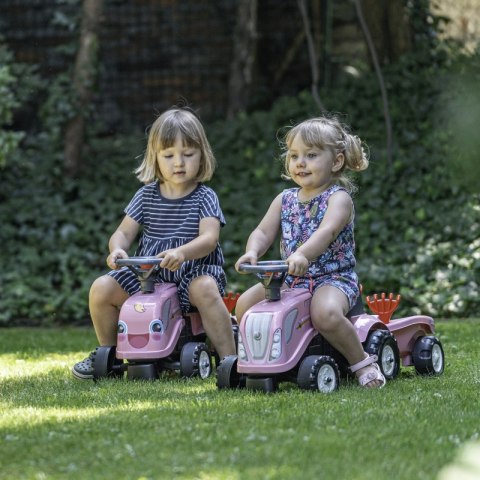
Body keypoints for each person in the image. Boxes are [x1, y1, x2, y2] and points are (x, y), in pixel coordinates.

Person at [72, 107, 236, 379]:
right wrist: (117, 249)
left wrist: (182, 253)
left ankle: (230, 361)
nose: (178, 163)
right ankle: (109, 355)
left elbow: (209, 239)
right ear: (155, 158)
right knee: (101, 288)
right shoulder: (145, 195)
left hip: (193, 272)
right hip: (149, 275)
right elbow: (123, 233)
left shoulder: (205, 196)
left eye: (188, 154)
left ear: (202, 156)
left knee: (205, 288)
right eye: (169, 155)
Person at [235, 115, 385, 388]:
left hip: (332, 278)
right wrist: (252, 251)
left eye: (311, 155)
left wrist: (302, 254)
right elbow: (263, 232)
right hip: (292, 278)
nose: (300, 162)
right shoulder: (284, 199)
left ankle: (362, 362)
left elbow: (326, 232)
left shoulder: (338, 198)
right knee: (244, 304)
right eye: (294, 156)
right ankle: (257, 359)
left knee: (324, 313)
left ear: (336, 161)